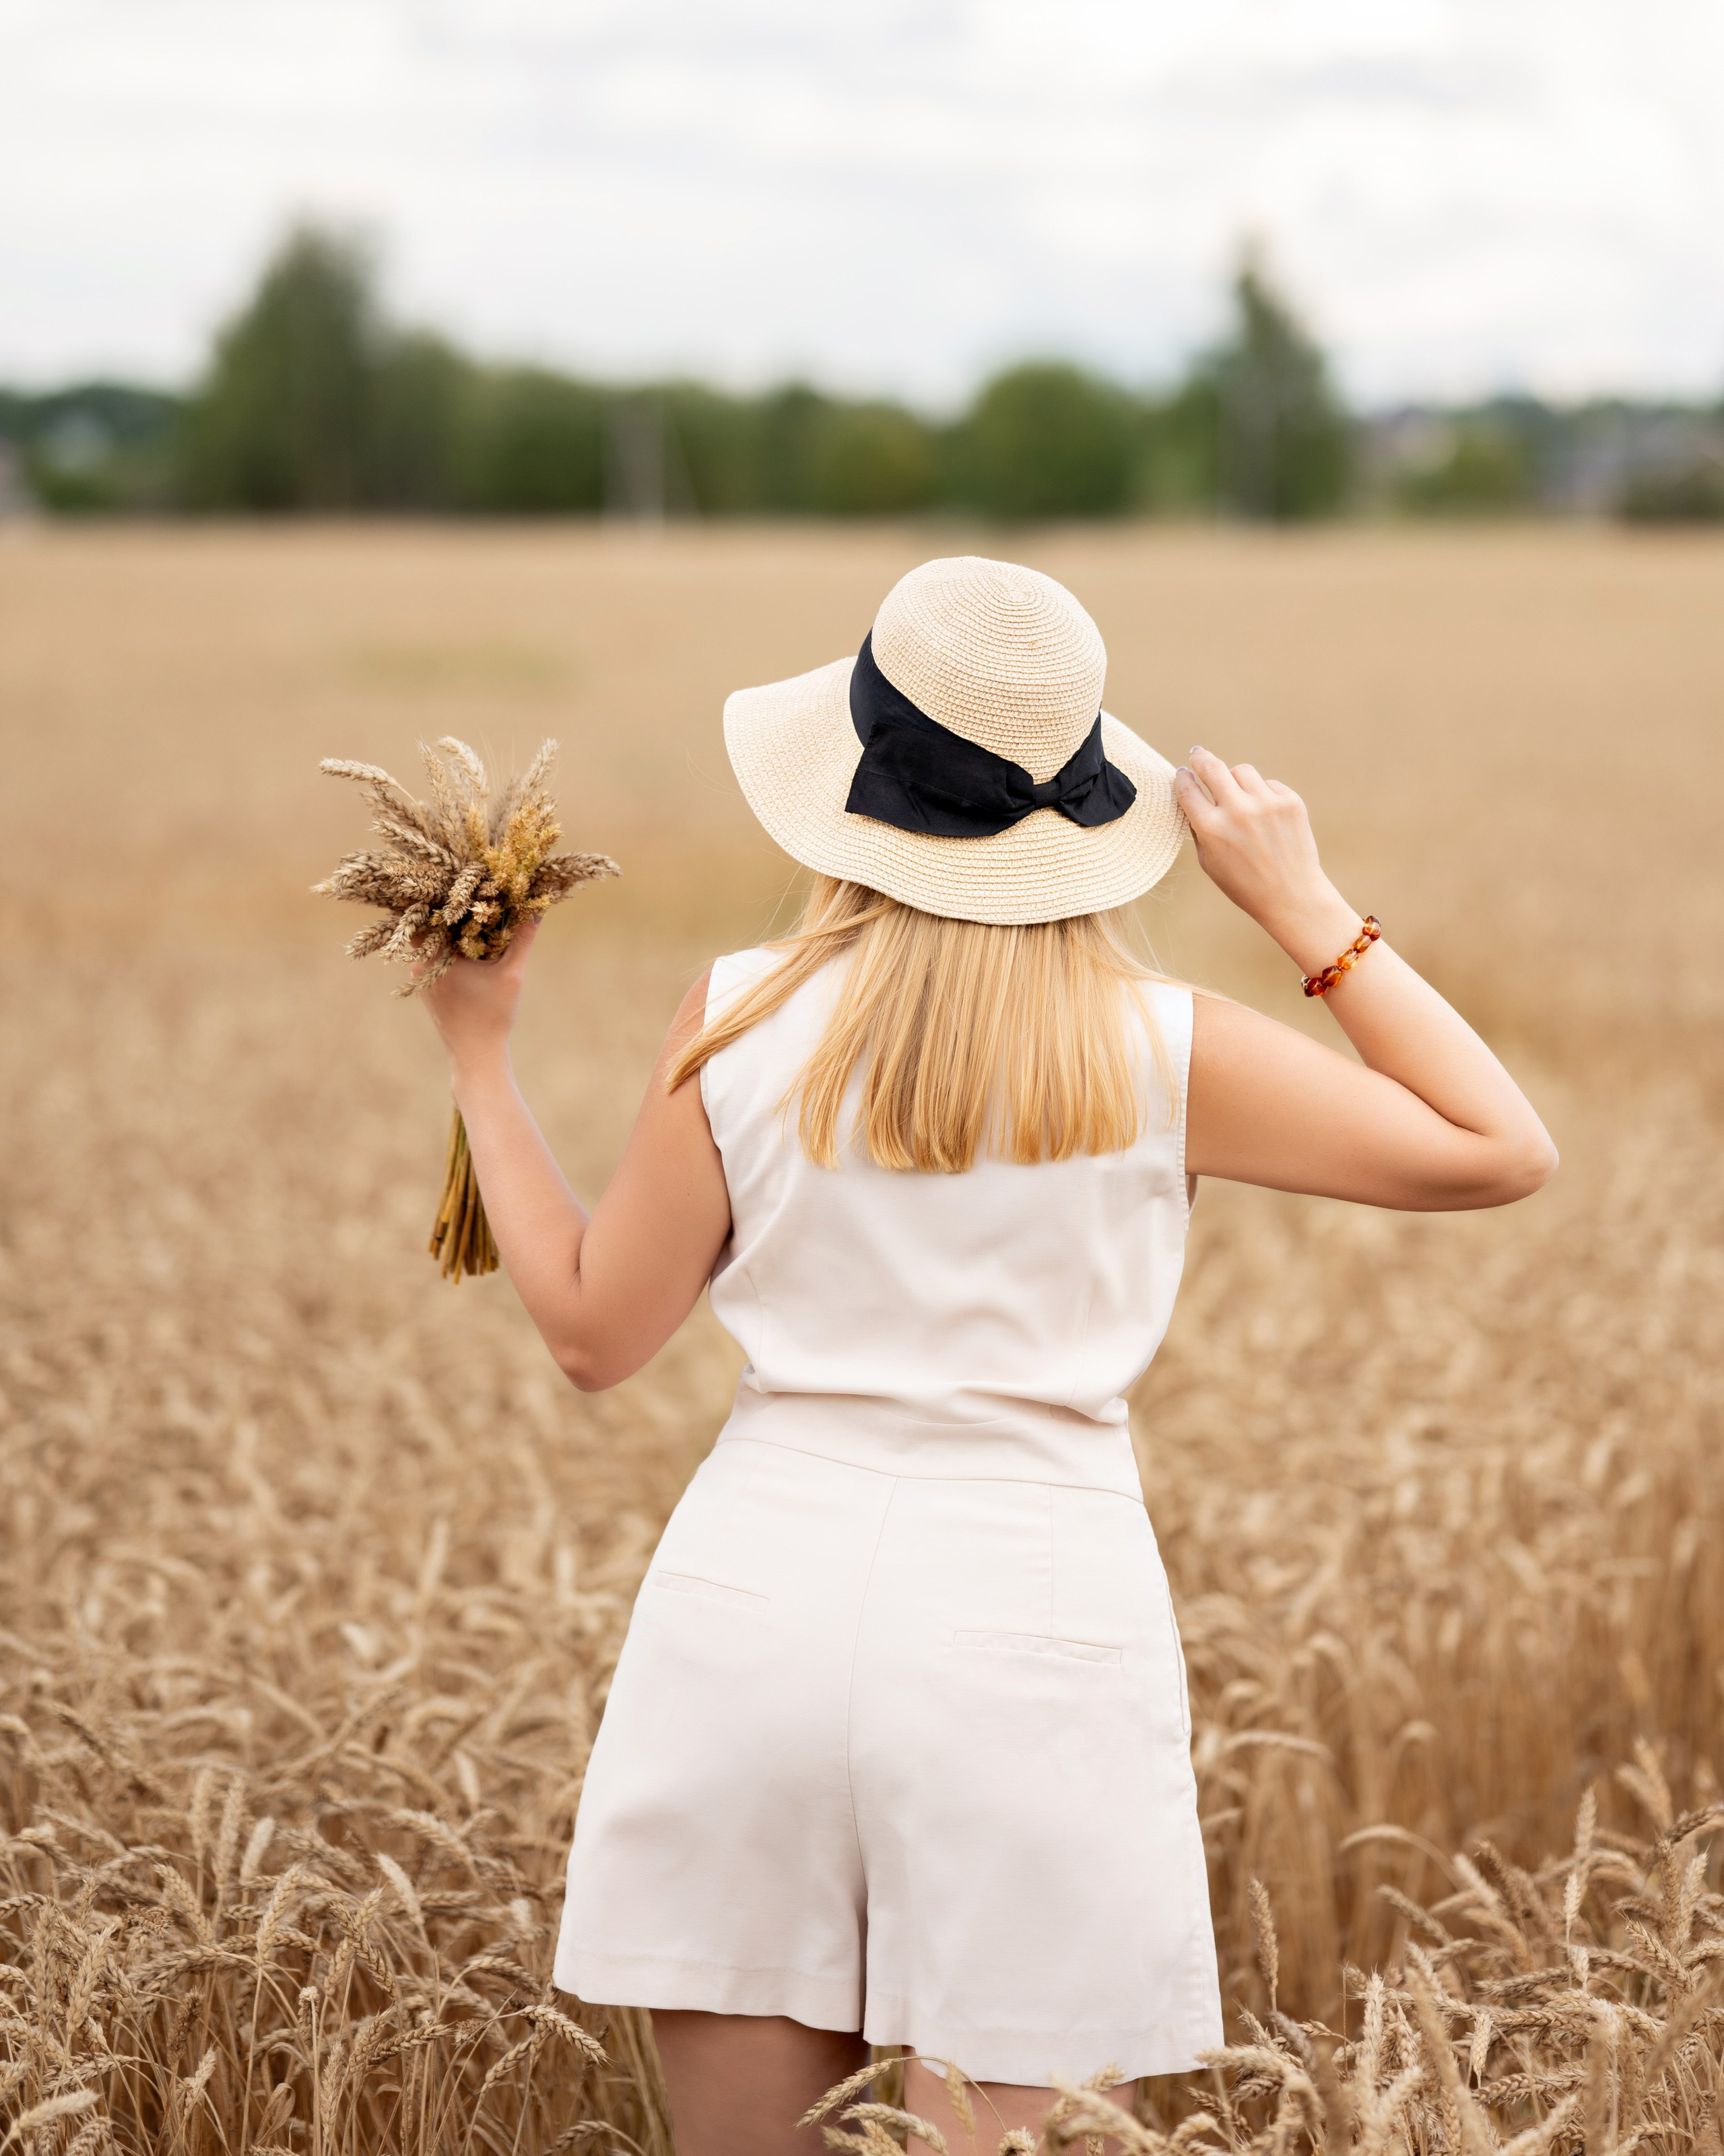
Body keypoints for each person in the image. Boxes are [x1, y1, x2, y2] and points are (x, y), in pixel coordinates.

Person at [421, 557, 1556, 2155]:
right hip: (1032, 1619)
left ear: (850, 790)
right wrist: (1302, 905)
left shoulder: (739, 1015)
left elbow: (593, 1329)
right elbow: (1497, 1147)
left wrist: (479, 1051)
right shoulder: (1163, 1048)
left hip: (754, 1609)